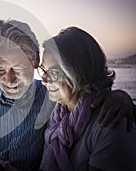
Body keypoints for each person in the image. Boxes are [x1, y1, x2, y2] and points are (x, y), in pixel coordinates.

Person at [0, 20, 134, 171]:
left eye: (18, 68)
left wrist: (120, 98)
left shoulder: (52, 98)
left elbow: (86, 95)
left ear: (36, 60)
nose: (9, 80)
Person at [38, 27, 136, 171]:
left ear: (78, 73)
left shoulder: (110, 123)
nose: (43, 79)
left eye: (53, 72)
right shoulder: (57, 116)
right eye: (43, 70)